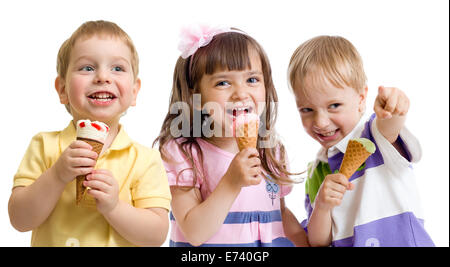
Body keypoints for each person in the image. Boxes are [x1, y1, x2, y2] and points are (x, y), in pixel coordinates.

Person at [8, 20, 171, 247]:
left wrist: (115, 207)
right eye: (87, 68)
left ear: (134, 92)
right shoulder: (44, 145)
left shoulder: (145, 160)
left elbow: (156, 236)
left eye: (117, 68)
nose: (103, 77)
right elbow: (19, 220)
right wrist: (56, 176)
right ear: (62, 90)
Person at [154, 25, 309, 247]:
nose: (241, 93)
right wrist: (231, 182)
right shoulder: (183, 154)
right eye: (223, 83)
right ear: (194, 93)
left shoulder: (271, 150)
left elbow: (281, 214)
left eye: (252, 80)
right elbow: (194, 233)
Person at [287, 35, 434, 246]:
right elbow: (319, 241)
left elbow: (390, 126)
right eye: (307, 109)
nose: (320, 121)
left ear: (361, 99)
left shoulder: (375, 137)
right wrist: (322, 206)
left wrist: (394, 107)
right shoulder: (316, 171)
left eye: (334, 105)